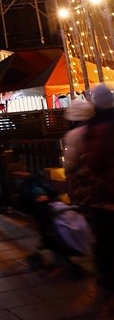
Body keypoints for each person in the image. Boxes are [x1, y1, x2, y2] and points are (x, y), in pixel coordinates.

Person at [66, 83, 114, 290]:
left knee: (103, 236)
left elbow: (90, 162)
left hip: (102, 193)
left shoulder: (90, 131)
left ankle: (106, 277)